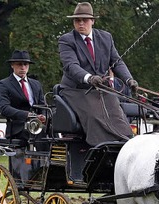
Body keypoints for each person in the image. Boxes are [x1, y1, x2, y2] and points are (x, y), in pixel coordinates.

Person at [58, 2, 138, 146]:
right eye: (77, 20)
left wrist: (129, 80)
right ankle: (99, 151)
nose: (81, 23)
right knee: (95, 116)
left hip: (102, 89)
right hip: (77, 90)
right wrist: (89, 78)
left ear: (92, 21)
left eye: (85, 20)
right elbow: (71, 66)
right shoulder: (66, 40)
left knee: (118, 117)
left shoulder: (106, 38)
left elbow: (117, 62)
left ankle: (125, 146)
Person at [0, 50, 46, 143]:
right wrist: (26, 115)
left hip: (37, 124)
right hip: (18, 126)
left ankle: (57, 157)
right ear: (12, 65)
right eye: (19, 64)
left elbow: (42, 106)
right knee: (41, 135)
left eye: (25, 64)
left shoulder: (36, 84)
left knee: (53, 132)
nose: (23, 67)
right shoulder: (4, 84)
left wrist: (43, 116)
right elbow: (3, 107)